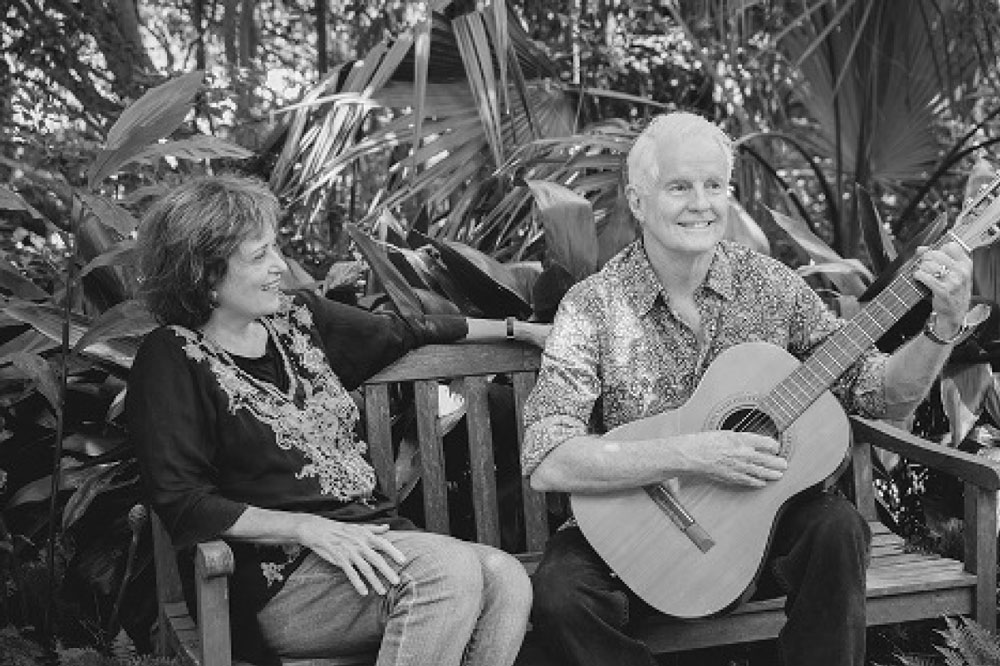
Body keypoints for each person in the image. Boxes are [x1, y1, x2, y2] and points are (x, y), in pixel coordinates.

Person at [521, 112, 974, 666]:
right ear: (638, 202)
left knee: (836, 528)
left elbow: (883, 394)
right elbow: (548, 458)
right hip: (637, 534)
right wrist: (691, 454)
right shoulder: (592, 306)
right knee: (561, 594)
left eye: (714, 186)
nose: (701, 203)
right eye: (679, 187)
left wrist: (943, 326)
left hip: (757, 535)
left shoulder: (773, 287)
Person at [127, 174, 547, 666]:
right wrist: (306, 528)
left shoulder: (299, 322)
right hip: (277, 580)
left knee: (506, 577)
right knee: (445, 570)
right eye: (259, 255)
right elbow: (181, 501)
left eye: (275, 249)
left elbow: (412, 329)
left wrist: (521, 328)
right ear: (205, 274)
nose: (280, 266)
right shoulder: (173, 357)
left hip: (370, 548)